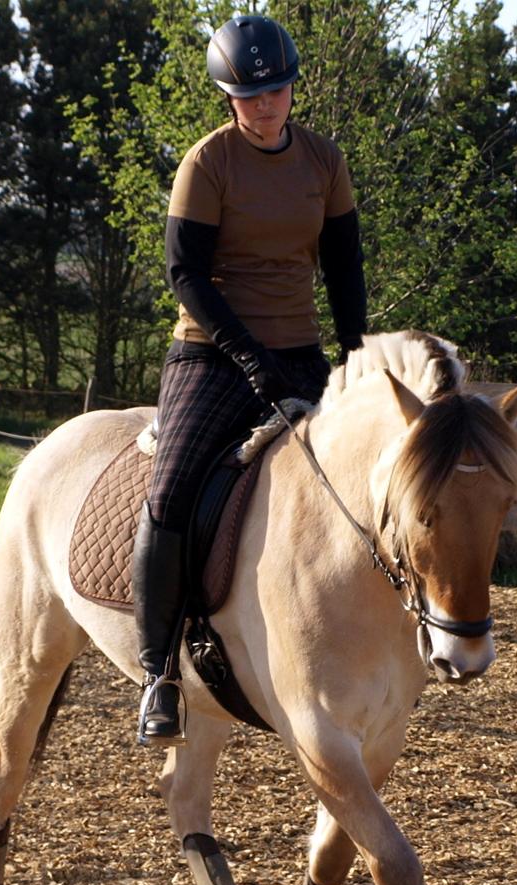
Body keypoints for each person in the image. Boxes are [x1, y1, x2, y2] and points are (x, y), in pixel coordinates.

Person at [134, 12, 368, 745]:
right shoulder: (208, 164)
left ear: (292, 89)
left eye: (277, 90)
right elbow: (187, 276)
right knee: (170, 493)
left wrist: (356, 360)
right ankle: (157, 674)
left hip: (299, 350)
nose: (266, 105)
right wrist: (243, 356)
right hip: (212, 351)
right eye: (250, 94)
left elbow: (345, 272)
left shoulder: (324, 163)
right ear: (228, 97)